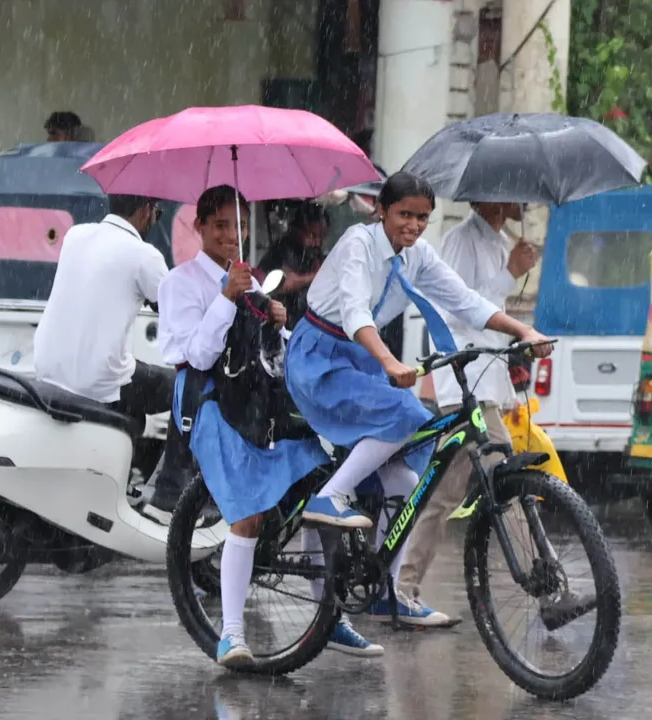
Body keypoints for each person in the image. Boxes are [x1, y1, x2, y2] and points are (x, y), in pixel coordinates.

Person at [283, 173, 553, 627]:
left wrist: (523, 331)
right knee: (408, 413)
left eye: (422, 217)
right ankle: (331, 495)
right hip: (320, 358)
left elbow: (465, 300)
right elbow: (353, 312)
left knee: (409, 485)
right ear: (381, 211)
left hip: (359, 363)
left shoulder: (418, 256)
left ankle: (389, 593)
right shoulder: (357, 244)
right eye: (404, 214)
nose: (413, 225)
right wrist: (390, 362)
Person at [157, 186, 376, 667]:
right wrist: (224, 299)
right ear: (199, 228)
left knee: (317, 495)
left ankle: (330, 612)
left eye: (236, 227)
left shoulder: (251, 281)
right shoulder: (180, 282)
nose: (230, 236)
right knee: (248, 511)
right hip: (210, 404)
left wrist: (274, 318)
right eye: (219, 226)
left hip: (258, 404)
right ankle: (231, 634)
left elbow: (272, 348)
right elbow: (198, 355)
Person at [383, 202, 533, 625]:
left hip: (487, 380)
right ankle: (544, 579)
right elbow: (450, 309)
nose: (522, 201)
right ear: (485, 196)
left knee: (444, 495)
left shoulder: (502, 242)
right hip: (464, 383)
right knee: (505, 476)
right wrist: (509, 273)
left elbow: (488, 309)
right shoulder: (460, 240)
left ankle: (403, 588)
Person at [33, 194, 171, 430]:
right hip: (99, 383)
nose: (155, 220)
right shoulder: (146, 256)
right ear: (146, 210)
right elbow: (177, 311)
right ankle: (173, 466)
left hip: (48, 371)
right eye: (158, 213)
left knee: (138, 386)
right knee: (186, 388)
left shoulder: (75, 235)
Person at [256, 202, 328, 327]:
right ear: (297, 231)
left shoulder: (315, 253)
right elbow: (286, 283)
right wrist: (314, 276)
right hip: (281, 321)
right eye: (312, 236)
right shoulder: (284, 249)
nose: (317, 242)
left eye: (322, 237)